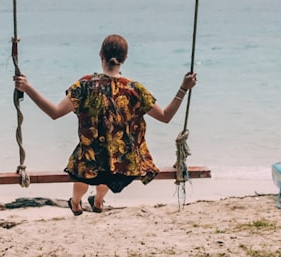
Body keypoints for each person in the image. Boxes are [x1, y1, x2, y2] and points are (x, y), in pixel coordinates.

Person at [13, 34, 197, 215]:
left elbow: (54, 112)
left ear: (101, 54)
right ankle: (99, 200)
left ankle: (76, 202)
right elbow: (165, 116)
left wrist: (27, 88)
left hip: (90, 163)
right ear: (125, 59)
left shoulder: (85, 85)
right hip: (125, 165)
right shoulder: (135, 89)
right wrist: (183, 88)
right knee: (109, 162)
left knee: (86, 163)